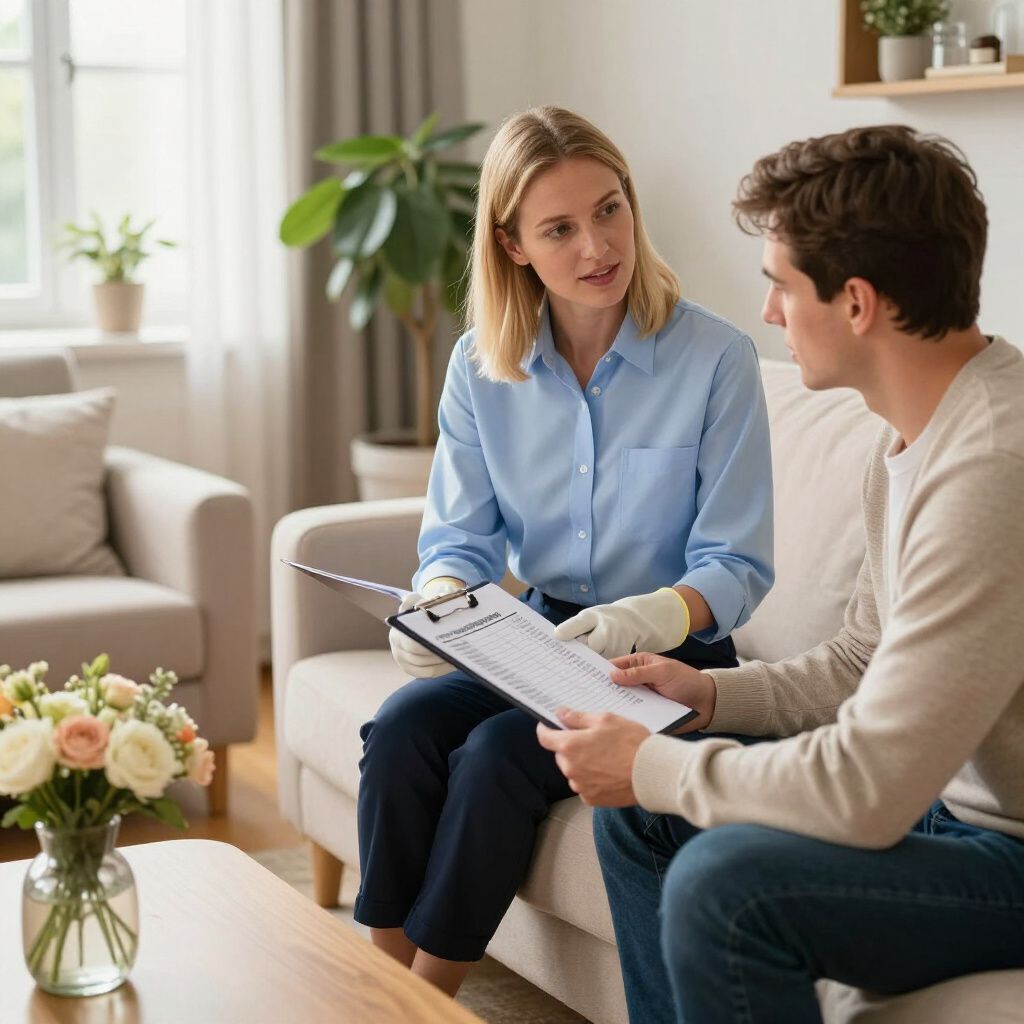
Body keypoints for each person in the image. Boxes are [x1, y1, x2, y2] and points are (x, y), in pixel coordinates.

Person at [538, 123, 1024, 1024]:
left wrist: (653, 764)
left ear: (857, 304)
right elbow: (861, 660)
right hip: (949, 812)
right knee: (643, 819)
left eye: (780, 285)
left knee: (730, 882)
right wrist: (709, 700)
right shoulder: (911, 441)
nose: (767, 313)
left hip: (1007, 854)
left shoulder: (993, 468)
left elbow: (870, 789)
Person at [355, 106, 774, 996]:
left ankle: (424, 1003)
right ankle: (373, 985)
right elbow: (461, 538)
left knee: (501, 757)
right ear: (513, 244)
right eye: (560, 228)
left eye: (610, 209)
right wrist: (435, 594)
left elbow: (736, 562)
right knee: (398, 731)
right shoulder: (480, 367)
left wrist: (651, 613)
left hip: (669, 657)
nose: (598, 245)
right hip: (537, 642)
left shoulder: (715, 359)